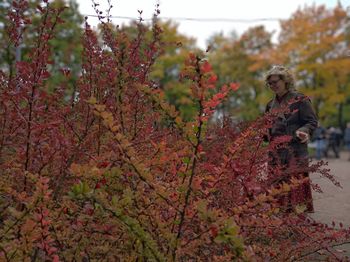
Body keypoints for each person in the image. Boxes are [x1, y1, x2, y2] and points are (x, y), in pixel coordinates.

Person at [264, 65, 318, 213]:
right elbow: (268, 129)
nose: (273, 85)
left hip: (295, 150)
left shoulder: (300, 99)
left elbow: (312, 122)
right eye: (270, 83)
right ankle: (281, 221)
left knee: (295, 186)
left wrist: (304, 131)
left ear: (285, 80)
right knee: (277, 188)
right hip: (275, 153)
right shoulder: (270, 104)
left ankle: (297, 224)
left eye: (275, 81)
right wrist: (260, 135)